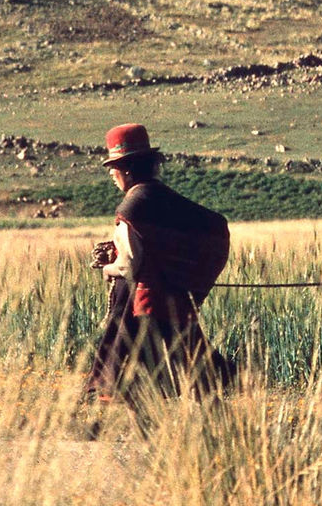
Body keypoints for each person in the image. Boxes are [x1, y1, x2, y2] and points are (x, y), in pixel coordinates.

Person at [84, 123, 234, 432]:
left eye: (113, 167)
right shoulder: (162, 198)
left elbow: (129, 266)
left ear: (126, 168)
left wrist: (105, 267)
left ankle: (121, 429)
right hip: (177, 301)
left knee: (131, 367)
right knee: (194, 367)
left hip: (146, 307)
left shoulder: (132, 205)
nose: (111, 174)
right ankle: (223, 425)